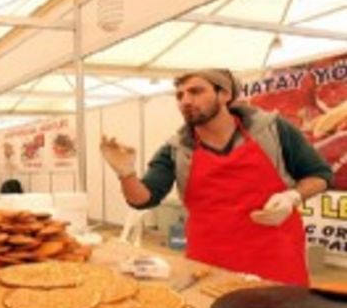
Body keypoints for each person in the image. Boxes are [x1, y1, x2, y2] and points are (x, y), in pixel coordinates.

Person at [101, 68, 332, 286]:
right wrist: (126, 173)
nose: (185, 101)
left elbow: (320, 175)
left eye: (196, 91)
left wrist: (293, 196)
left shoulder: (272, 130)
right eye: (180, 95)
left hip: (276, 258)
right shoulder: (176, 148)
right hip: (208, 263)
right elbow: (143, 199)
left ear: (225, 94)